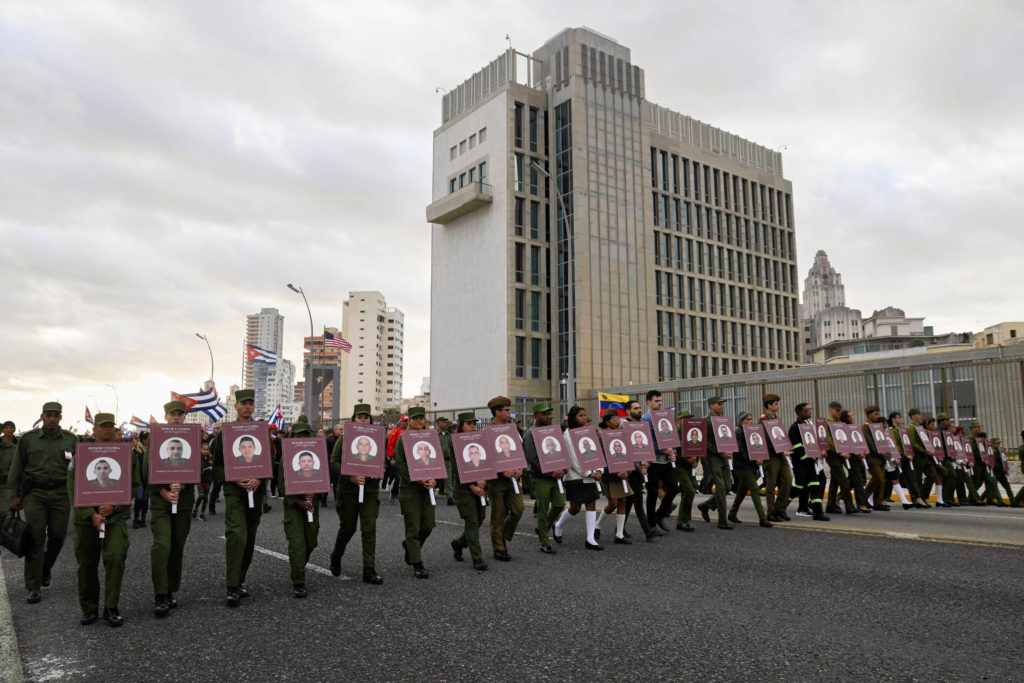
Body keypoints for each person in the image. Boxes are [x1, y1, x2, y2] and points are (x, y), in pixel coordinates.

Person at [68, 412, 139, 627]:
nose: (108, 430)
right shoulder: (80, 454)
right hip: (87, 518)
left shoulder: (127, 455)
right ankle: (89, 609)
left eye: (111, 426)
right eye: (103, 426)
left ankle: (111, 607)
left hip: (115, 518)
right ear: (95, 429)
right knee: (87, 564)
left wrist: (115, 506)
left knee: (116, 557)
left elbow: (133, 485)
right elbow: (73, 487)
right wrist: (91, 514)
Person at [6, 401, 79, 604]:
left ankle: (45, 567)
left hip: (61, 493)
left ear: (61, 418)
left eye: (56, 415)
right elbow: (16, 467)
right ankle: (33, 585)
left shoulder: (71, 440)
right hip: (35, 494)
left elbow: (81, 469)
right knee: (36, 537)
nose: (53, 419)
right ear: (42, 416)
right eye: (49, 415)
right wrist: (14, 495)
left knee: (58, 536)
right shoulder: (28, 439)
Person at [211, 389, 269, 607]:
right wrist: (234, 478)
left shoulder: (261, 432)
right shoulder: (225, 433)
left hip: (256, 491)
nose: (247, 406)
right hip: (235, 491)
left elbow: (268, 462)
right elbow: (216, 467)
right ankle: (232, 585)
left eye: (250, 403)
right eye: (243, 403)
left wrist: (260, 478)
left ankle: (240, 578)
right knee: (237, 535)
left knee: (250, 538)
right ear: (235, 406)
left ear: (254, 407)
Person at [147, 400, 198, 618]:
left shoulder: (192, 440)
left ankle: (170, 589)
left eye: (180, 414)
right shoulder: (155, 438)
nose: (176, 418)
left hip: (183, 502)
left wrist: (183, 484)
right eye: (172, 414)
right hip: (161, 503)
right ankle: (160, 595)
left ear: (184, 417)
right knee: (162, 546)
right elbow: (145, 470)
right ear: (165, 416)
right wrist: (163, 491)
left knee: (177, 546)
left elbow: (195, 468)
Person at [329, 404, 384, 585]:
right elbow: (334, 461)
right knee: (348, 528)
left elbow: (380, 461)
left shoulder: (376, 438)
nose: (363, 420)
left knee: (369, 528)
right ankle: (337, 555)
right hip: (348, 490)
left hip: (369, 490)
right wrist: (350, 476)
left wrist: (380, 470)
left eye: (366, 417)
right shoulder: (345, 438)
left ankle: (369, 569)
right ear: (353, 420)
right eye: (359, 417)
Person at [393, 406, 436, 579]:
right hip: (410, 489)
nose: (419, 421)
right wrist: (416, 479)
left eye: (421, 418)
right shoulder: (403, 439)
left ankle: (410, 546)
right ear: (409, 421)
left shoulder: (431, 438)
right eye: (415, 418)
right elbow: (401, 464)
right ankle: (418, 564)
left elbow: (436, 461)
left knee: (428, 525)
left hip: (428, 489)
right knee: (413, 527)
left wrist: (435, 479)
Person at [552, 407, 603, 550]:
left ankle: (590, 538)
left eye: (585, 415)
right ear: (573, 418)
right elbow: (573, 458)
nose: (584, 418)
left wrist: (599, 469)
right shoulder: (568, 434)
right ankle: (558, 525)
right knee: (575, 508)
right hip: (575, 476)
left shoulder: (588, 432)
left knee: (591, 504)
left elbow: (596, 453)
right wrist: (588, 472)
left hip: (590, 475)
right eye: (581, 415)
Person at [279, 421, 320, 598]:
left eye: (305, 435)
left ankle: (299, 566)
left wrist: (315, 495)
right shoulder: (285, 458)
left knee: (311, 542)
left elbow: (324, 480)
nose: (302, 439)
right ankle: (298, 581)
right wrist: (297, 501)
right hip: (293, 506)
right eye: (298, 436)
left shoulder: (318, 456)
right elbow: (281, 485)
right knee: (297, 543)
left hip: (312, 505)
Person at [445, 412, 490, 571]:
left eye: (474, 423)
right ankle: (477, 558)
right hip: (464, 488)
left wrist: (485, 480)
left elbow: (487, 461)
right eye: (469, 423)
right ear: (461, 425)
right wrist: (472, 487)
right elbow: (457, 468)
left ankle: (459, 544)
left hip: (481, 486)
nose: (472, 426)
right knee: (471, 521)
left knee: (480, 519)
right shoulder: (454, 441)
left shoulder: (480, 439)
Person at [522, 402, 564, 555]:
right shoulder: (530, 433)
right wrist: (549, 472)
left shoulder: (553, 431)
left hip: (557, 475)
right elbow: (533, 458)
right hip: (541, 477)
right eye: (544, 414)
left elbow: (561, 451)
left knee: (559, 504)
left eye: (549, 414)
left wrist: (562, 468)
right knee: (543, 508)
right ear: (536, 416)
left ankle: (543, 529)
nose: (548, 416)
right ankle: (545, 543)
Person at [485, 396, 523, 562]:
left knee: (518, 509)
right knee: (498, 514)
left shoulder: (512, 430)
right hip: (496, 481)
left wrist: (520, 468)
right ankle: (499, 547)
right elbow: (485, 458)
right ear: (497, 412)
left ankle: (502, 535)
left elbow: (519, 451)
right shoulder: (487, 432)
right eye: (506, 410)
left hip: (513, 478)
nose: (509, 413)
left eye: (509, 410)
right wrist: (502, 471)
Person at [641, 390, 679, 532]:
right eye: (656, 401)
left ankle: (659, 515)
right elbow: (647, 441)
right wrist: (664, 450)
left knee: (674, 488)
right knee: (652, 493)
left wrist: (673, 452)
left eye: (660, 401)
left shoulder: (665, 417)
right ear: (648, 402)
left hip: (666, 461)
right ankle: (651, 524)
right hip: (653, 462)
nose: (659, 403)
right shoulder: (645, 419)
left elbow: (670, 436)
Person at [620, 401, 659, 541]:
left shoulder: (642, 425)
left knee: (629, 501)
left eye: (639, 408)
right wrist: (639, 467)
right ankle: (648, 531)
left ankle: (619, 529)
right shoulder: (624, 426)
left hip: (641, 468)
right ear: (628, 411)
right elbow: (628, 451)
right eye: (635, 408)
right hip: (630, 469)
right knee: (637, 499)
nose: (639, 410)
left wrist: (646, 463)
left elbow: (646, 446)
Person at [726, 412, 772, 527]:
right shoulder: (738, 433)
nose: (750, 422)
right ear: (741, 421)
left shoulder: (753, 432)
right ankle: (762, 518)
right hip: (742, 466)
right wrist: (754, 460)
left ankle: (732, 513)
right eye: (747, 419)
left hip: (752, 466)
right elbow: (741, 452)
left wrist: (761, 457)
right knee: (755, 490)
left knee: (742, 491)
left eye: (751, 419)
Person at [596, 409, 635, 544]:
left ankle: (619, 535)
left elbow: (628, 454)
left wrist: (627, 471)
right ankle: (597, 525)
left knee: (623, 502)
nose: (617, 422)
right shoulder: (601, 437)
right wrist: (615, 472)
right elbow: (601, 458)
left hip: (622, 474)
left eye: (618, 419)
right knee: (613, 504)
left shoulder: (623, 435)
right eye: (614, 420)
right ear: (607, 422)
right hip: (609, 475)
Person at [697, 396, 735, 530]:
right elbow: (705, 442)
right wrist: (720, 452)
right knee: (720, 486)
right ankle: (722, 521)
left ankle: (706, 505)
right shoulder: (706, 421)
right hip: (713, 457)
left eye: (722, 404)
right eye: (719, 404)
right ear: (711, 406)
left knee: (728, 486)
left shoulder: (722, 420)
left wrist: (730, 449)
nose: (721, 406)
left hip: (724, 456)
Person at [788, 403, 829, 521]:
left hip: (810, 462)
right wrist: (809, 457)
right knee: (798, 487)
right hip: (801, 464)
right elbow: (797, 447)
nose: (810, 412)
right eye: (807, 410)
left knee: (815, 486)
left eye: (810, 409)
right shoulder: (795, 428)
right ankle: (779, 509)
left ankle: (818, 513)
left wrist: (815, 455)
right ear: (800, 413)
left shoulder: (808, 426)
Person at [760, 394, 793, 522]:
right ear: (769, 405)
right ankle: (771, 512)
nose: (778, 406)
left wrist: (786, 448)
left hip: (782, 455)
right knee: (771, 484)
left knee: (787, 480)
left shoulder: (777, 419)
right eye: (775, 404)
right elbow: (766, 439)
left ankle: (780, 508)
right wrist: (779, 450)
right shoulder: (764, 419)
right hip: (771, 456)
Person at [673, 410, 698, 532]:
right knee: (689, 491)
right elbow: (675, 453)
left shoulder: (691, 432)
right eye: (685, 418)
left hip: (689, 466)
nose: (687, 420)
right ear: (679, 420)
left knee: (689, 490)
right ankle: (682, 519)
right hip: (680, 466)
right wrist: (688, 461)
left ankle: (684, 520)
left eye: (688, 418)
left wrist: (695, 460)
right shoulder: (676, 433)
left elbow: (698, 447)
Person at [861, 406, 890, 511]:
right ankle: (862, 498)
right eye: (875, 414)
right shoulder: (866, 427)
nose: (877, 416)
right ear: (869, 415)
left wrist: (886, 452)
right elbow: (870, 444)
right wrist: (882, 453)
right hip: (872, 457)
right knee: (877, 477)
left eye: (878, 414)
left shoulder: (877, 427)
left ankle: (878, 502)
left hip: (881, 457)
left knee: (882, 480)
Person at [192, 441, 214, 521]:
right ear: (201, 449)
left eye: (207, 449)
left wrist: (212, 465)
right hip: (200, 479)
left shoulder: (211, 457)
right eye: (204, 449)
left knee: (206, 497)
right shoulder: (198, 457)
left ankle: (202, 513)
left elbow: (213, 467)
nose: (206, 451)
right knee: (201, 495)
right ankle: (195, 509)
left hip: (208, 480)